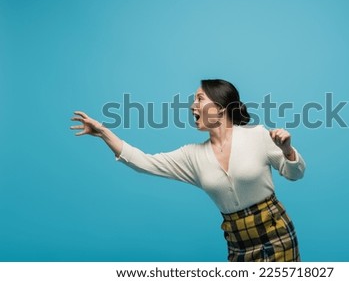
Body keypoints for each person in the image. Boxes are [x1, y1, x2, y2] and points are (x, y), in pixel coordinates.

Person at [70, 79, 307, 262]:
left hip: (276, 235)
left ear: (221, 106)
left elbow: (294, 174)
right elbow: (142, 161)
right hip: (238, 244)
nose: (193, 106)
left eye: (199, 99)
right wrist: (103, 132)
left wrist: (287, 150)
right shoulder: (192, 156)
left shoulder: (257, 136)